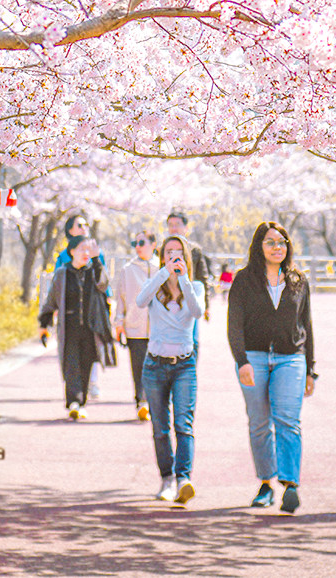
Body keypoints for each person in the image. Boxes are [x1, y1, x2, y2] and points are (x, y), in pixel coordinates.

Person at [227, 221, 315, 514]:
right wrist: (242, 361)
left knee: (288, 419)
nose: (277, 247)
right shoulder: (244, 280)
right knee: (259, 422)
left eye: (282, 242)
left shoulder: (298, 280)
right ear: (259, 246)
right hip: (254, 358)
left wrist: (311, 368)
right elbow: (234, 325)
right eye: (270, 242)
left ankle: (290, 485)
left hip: (291, 358)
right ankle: (266, 483)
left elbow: (306, 325)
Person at [136, 234, 204, 503]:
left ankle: (183, 479)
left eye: (178, 253)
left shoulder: (195, 286)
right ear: (162, 257)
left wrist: (183, 278)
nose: (174, 257)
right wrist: (164, 273)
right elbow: (140, 301)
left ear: (186, 257)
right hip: (154, 365)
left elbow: (197, 312)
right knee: (160, 428)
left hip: (184, 365)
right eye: (168, 253)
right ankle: (167, 479)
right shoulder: (154, 285)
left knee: (183, 424)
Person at [39, 233, 111, 419]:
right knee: (71, 365)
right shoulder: (62, 273)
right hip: (69, 328)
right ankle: (74, 402)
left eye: (89, 250)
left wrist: (97, 260)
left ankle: (81, 402)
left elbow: (103, 284)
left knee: (86, 365)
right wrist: (44, 324)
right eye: (82, 249)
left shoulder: (93, 270)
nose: (86, 253)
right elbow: (51, 301)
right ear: (71, 251)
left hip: (90, 328)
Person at [114, 230, 158, 421]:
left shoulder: (162, 268)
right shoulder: (128, 269)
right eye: (135, 243)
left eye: (142, 242)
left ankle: (155, 403)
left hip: (159, 328)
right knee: (139, 367)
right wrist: (119, 323)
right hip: (134, 327)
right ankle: (142, 401)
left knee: (157, 367)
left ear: (153, 245)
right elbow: (121, 298)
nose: (138, 247)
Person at [164, 212, 212, 322]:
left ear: (186, 228)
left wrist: (206, 305)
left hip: (189, 302)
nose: (174, 228)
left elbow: (202, 278)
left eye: (177, 224)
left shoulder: (194, 250)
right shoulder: (161, 250)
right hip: (167, 303)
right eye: (170, 225)